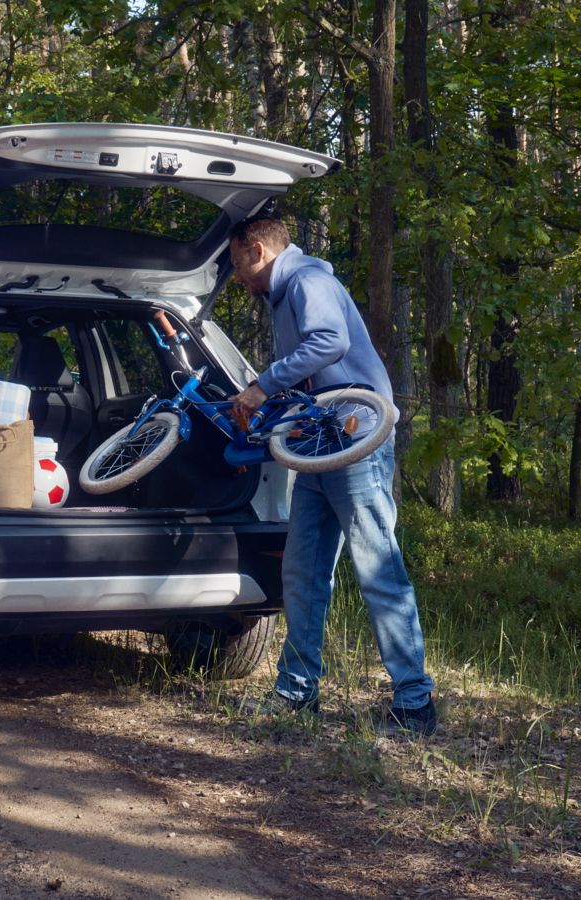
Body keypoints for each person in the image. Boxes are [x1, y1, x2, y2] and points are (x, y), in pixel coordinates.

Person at [228, 215, 437, 735]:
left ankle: (415, 704)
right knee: (301, 573)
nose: (237, 278)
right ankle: (296, 694)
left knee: (378, 570)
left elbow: (329, 343)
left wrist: (262, 385)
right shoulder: (283, 294)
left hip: (357, 441)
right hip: (319, 444)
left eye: (236, 265)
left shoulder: (307, 280)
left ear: (257, 250)